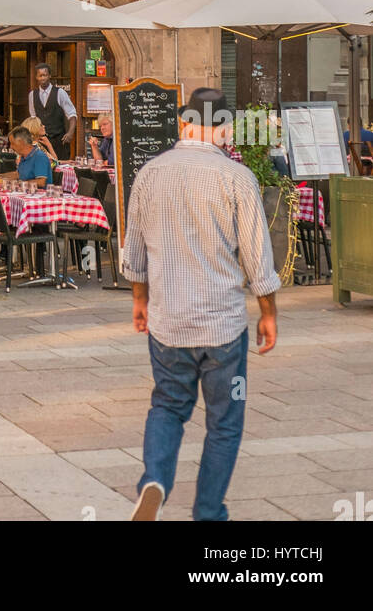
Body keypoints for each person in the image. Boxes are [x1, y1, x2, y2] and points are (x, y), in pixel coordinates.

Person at [124, 86, 280, 523]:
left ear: (183, 123)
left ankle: (155, 479)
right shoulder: (237, 177)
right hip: (223, 329)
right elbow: (257, 260)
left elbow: (133, 254)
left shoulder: (150, 173)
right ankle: (209, 513)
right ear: (224, 128)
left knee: (168, 407)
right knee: (224, 423)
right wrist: (268, 313)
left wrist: (140, 303)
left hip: (167, 323)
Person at [27, 62, 77, 159]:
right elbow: (33, 118)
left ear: (50, 76)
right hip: (41, 141)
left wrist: (70, 133)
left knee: (60, 168)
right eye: (40, 75)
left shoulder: (60, 93)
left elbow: (72, 115)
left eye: (45, 75)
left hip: (58, 139)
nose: (42, 78)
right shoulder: (32, 95)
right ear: (36, 77)